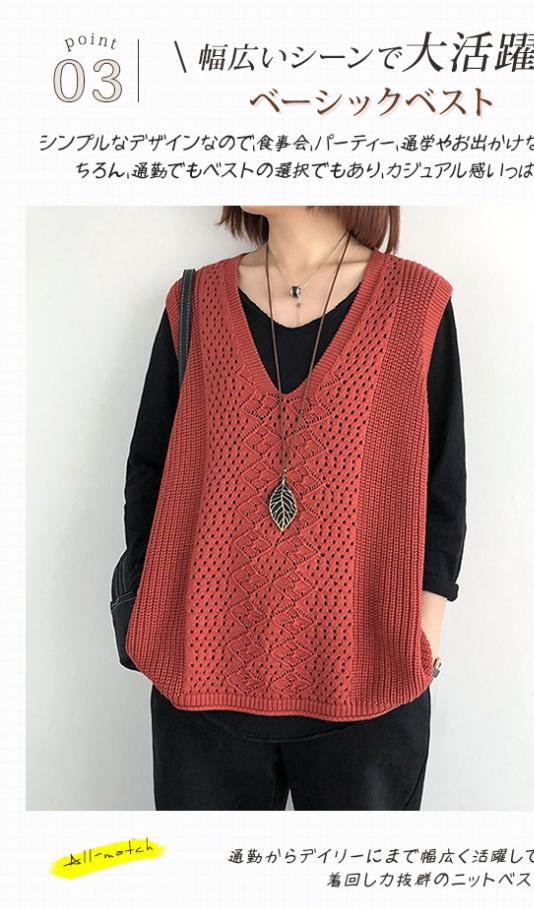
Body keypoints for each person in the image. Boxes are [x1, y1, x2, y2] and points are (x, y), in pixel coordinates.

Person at [113, 205, 467, 810]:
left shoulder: (416, 303)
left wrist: (424, 639)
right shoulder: (195, 302)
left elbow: (442, 484)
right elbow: (150, 468)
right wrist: (158, 607)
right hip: (201, 677)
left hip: (366, 677)